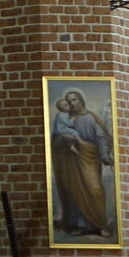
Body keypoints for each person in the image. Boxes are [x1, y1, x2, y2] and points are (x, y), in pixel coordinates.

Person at [51, 90, 114, 239]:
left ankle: (100, 224)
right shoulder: (66, 118)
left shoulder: (90, 118)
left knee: (95, 189)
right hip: (71, 160)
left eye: (74, 100)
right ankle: (80, 225)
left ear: (81, 100)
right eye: (69, 101)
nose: (72, 103)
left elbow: (100, 137)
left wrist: (104, 155)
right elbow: (56, 140)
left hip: (89, 157)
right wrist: (63, 139)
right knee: (75, 191)